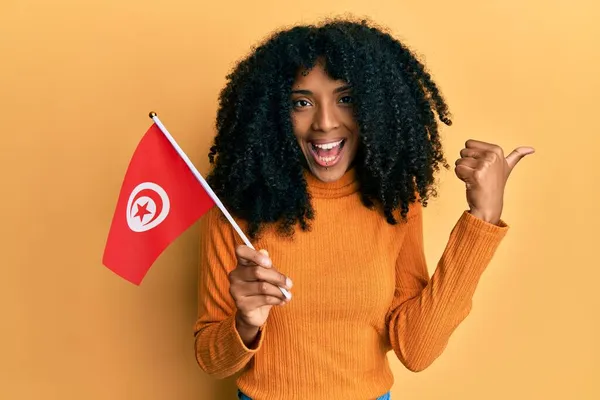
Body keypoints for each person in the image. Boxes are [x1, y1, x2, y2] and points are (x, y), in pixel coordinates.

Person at [192, 17, 534, 400]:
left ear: (376, 106)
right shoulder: (237, 207)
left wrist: (481, 221)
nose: (324, 122)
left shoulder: (394, 203)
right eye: (301, 102)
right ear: (272, 113)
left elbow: (417, 350)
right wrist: (245, 323)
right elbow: (211, 360)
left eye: (346, 99)